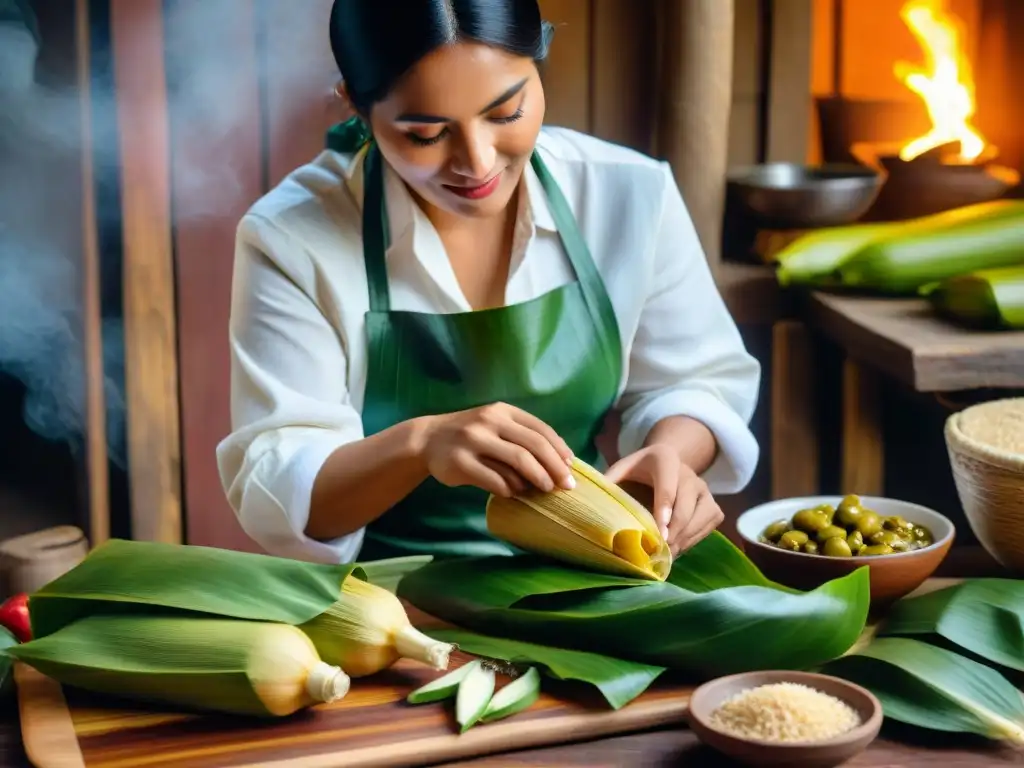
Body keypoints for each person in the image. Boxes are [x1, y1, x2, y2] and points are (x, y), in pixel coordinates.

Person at [216, 0, 761, 565]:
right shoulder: (292, 237)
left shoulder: (626, 194)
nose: (476, 163)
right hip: (391, 600)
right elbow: (283, 489)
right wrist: (420, 445)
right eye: (426, 134)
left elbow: (697, 381)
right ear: (356, 105)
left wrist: (671, 452)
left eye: (506, 114)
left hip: (591, 572)